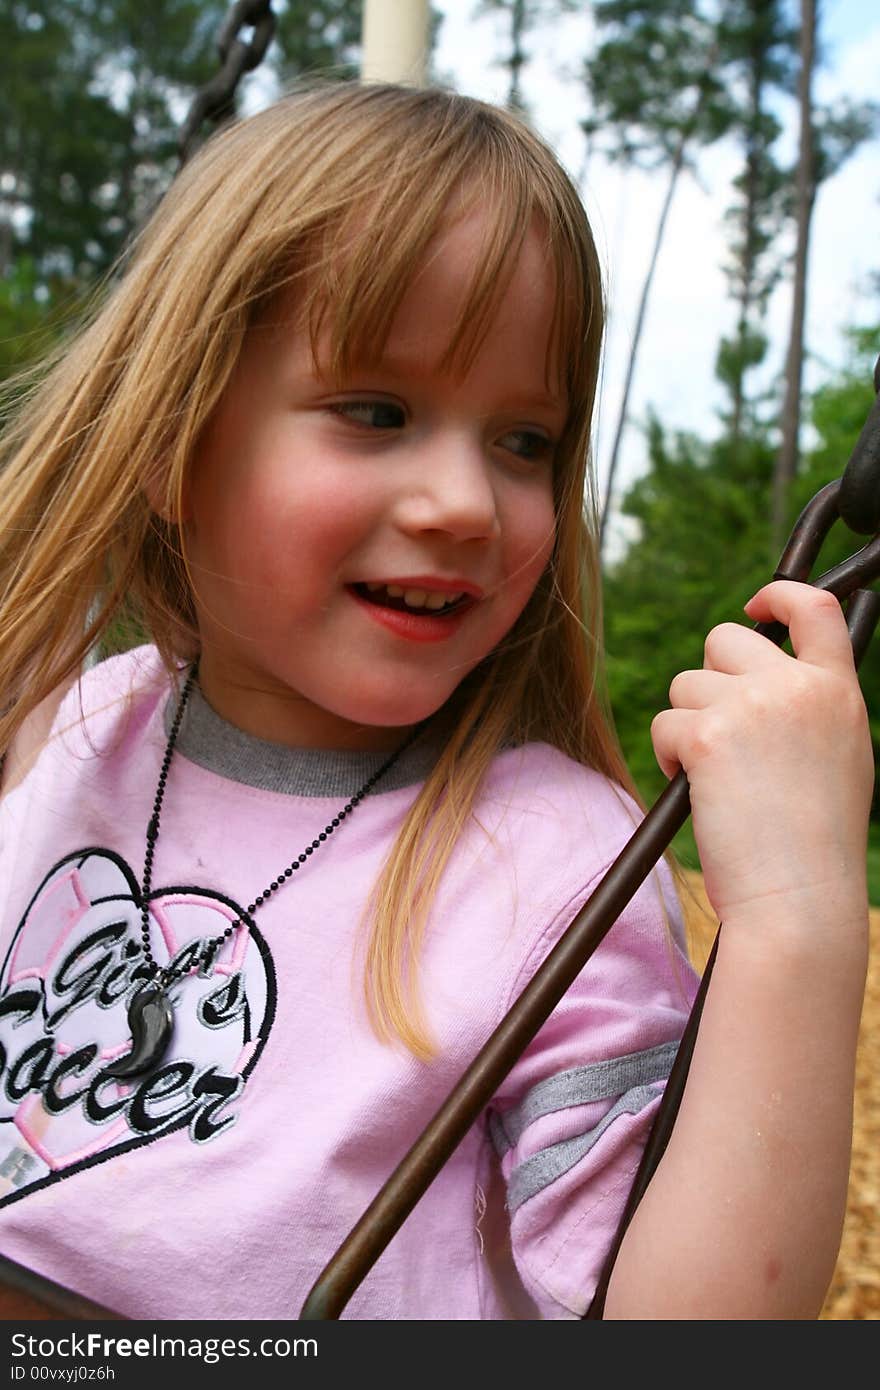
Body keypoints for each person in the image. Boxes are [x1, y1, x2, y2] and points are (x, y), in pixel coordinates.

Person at [0, 82, 871, 1323]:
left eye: (524, 441)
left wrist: (799, 920)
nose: (467, 501)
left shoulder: (543, 868)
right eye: (378, 411)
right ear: (171, 438)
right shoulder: (85, 726)